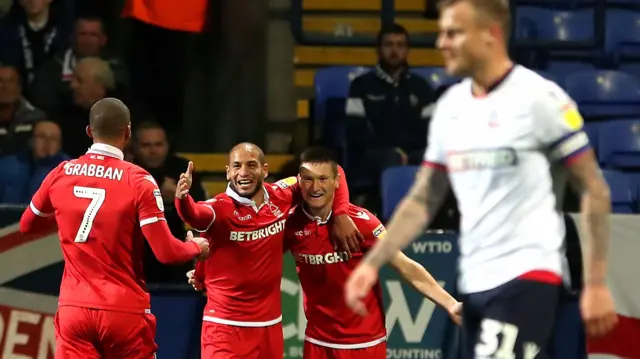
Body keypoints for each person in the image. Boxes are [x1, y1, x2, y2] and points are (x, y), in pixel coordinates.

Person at [345, 1, 618, 358]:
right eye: (441, 32)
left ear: (490, 35)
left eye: (453, 32)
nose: (441, 43)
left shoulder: (542, 99)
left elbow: (595, 189)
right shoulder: (450, 108)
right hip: (474, 280)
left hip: (528, 276)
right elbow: (423, 198)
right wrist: (372, 262)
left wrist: (596, 282)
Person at [18, 97, 210, 359]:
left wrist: (66, 214)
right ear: (128, 132)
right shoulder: (139, 180)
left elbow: (27, 224)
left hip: (74, 310)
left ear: (89, 131)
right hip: (124, 312)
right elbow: (166, 253)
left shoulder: (61, 173)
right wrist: (195, 246)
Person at [175, 142, 362, 359]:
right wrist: (183, 198)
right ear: (228, 173)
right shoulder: (218, 208)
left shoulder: (282, 194)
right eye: (236, 166)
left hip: (270, 327)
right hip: (226, 329)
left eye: (251, 165)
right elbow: (194, 214)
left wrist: (341, 214)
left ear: (265, 170)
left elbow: (335, 171)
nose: (243, 173)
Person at [284, 147, 461, 358]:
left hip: (365, 343)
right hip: (317, 341)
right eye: (308, 179)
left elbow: (406, 266)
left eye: (323, 179)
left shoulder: (363, 223)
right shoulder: (291, 223)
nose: (315, 187)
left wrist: (450, 304)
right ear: (299, 181)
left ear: (337, 181)